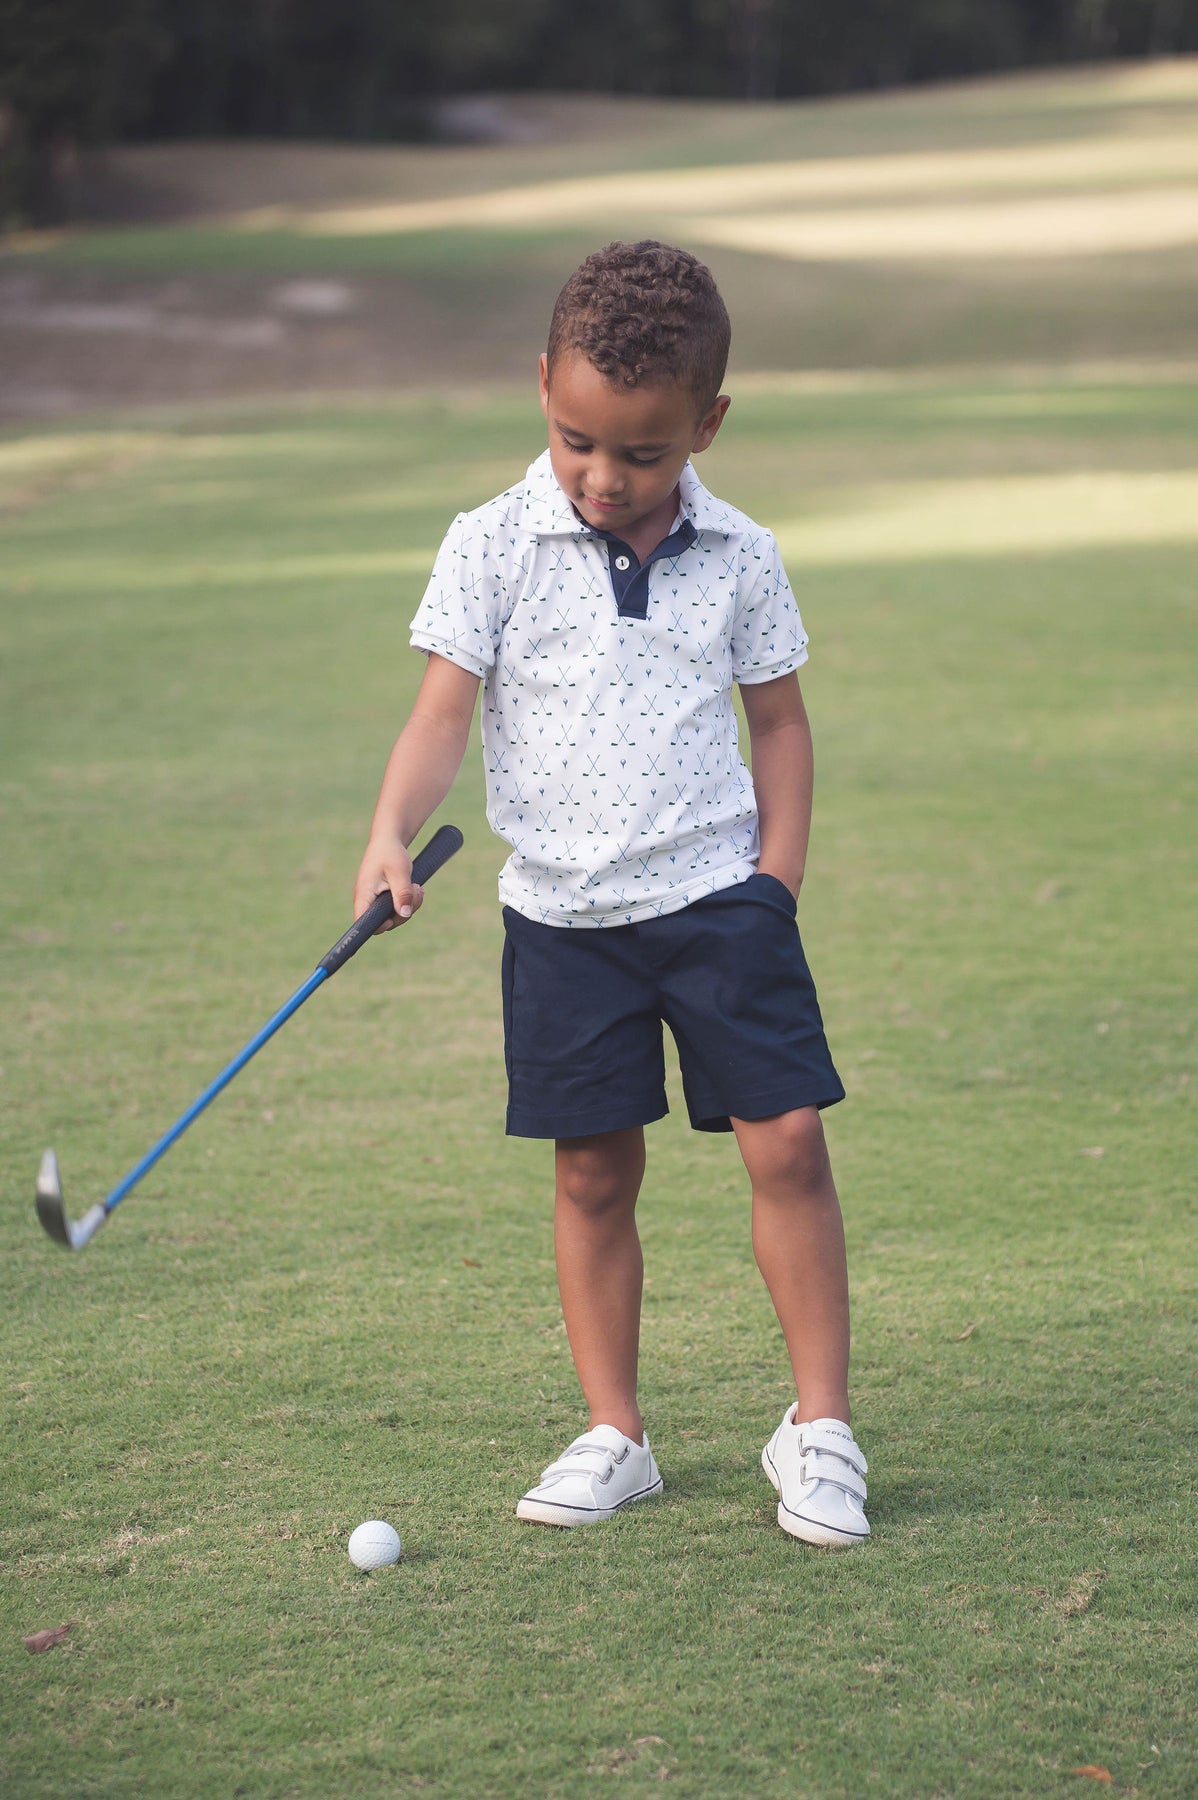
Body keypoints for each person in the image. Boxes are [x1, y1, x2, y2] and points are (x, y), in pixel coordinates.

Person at [353, 240, 869, 1548]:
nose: (603, 476)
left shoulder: (742, 553)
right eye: (577, 440)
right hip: (562, 921)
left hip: (719, 903)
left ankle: (819, 1427)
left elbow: (780, 724)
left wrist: (776, 881)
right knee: (592, 1173)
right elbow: (439, 715)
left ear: (707, 424)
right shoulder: (491, 544)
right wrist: (389, 831)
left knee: (789, 1145)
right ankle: (615, 1434)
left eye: (642, 453)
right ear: (542, 385)